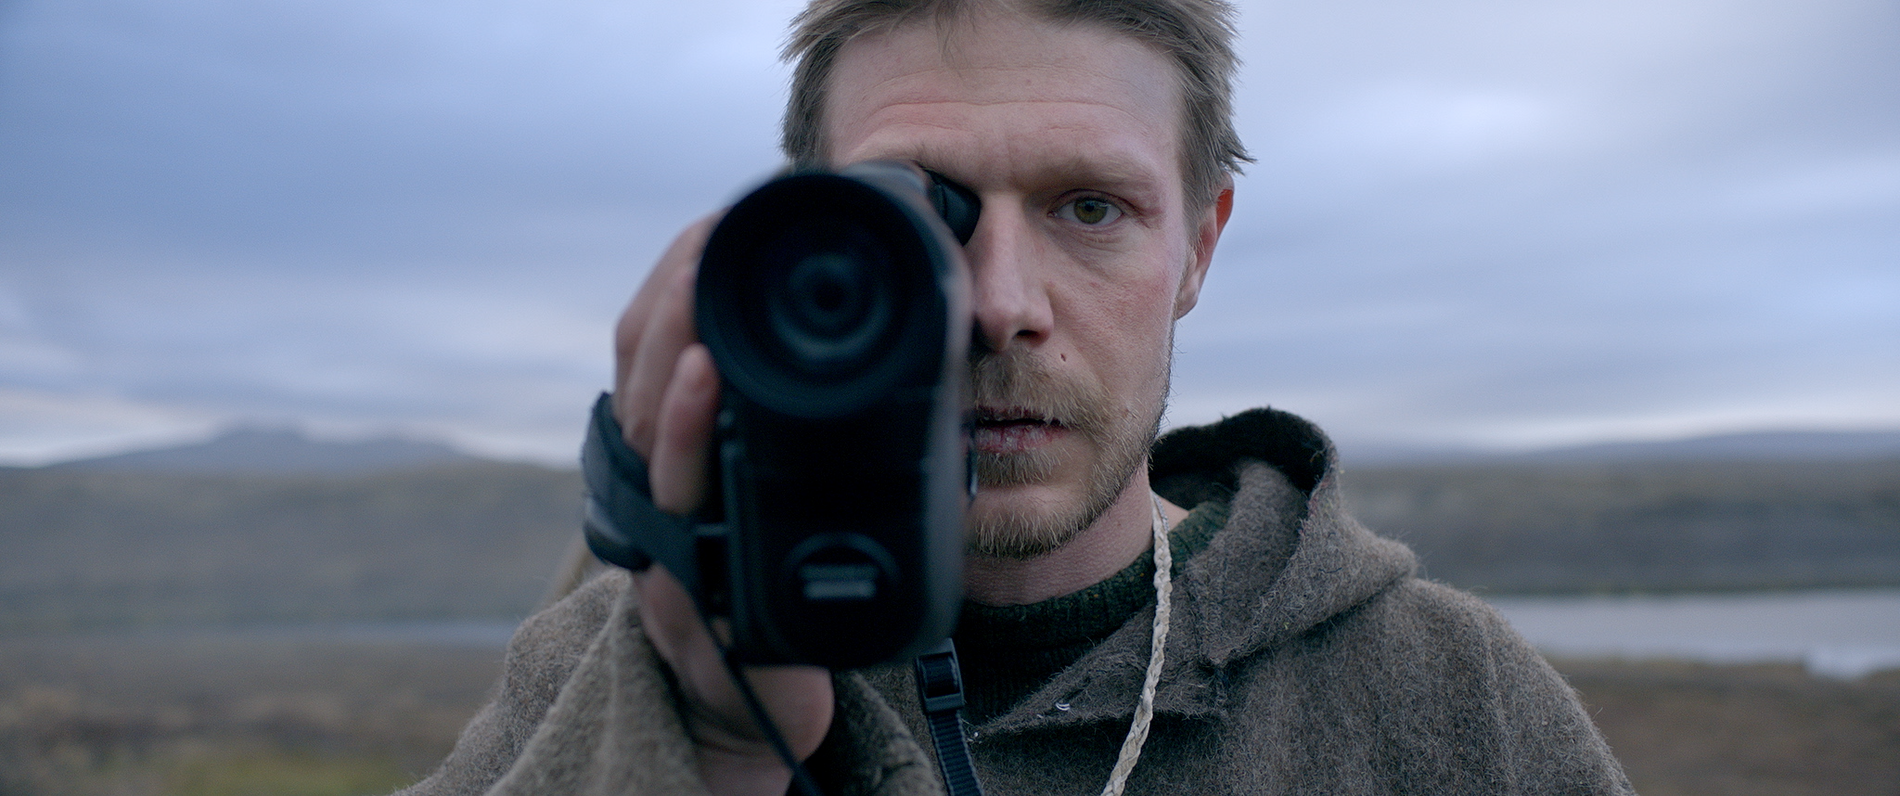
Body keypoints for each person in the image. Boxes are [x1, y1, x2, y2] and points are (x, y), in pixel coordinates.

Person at [399, 1, 1635, 794]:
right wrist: (709, 748)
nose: (998, 303)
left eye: (1089, 207)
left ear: (1198, 248)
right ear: (806, 242)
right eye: (915, 214)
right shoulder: (619, 661)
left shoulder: (1454, 699)